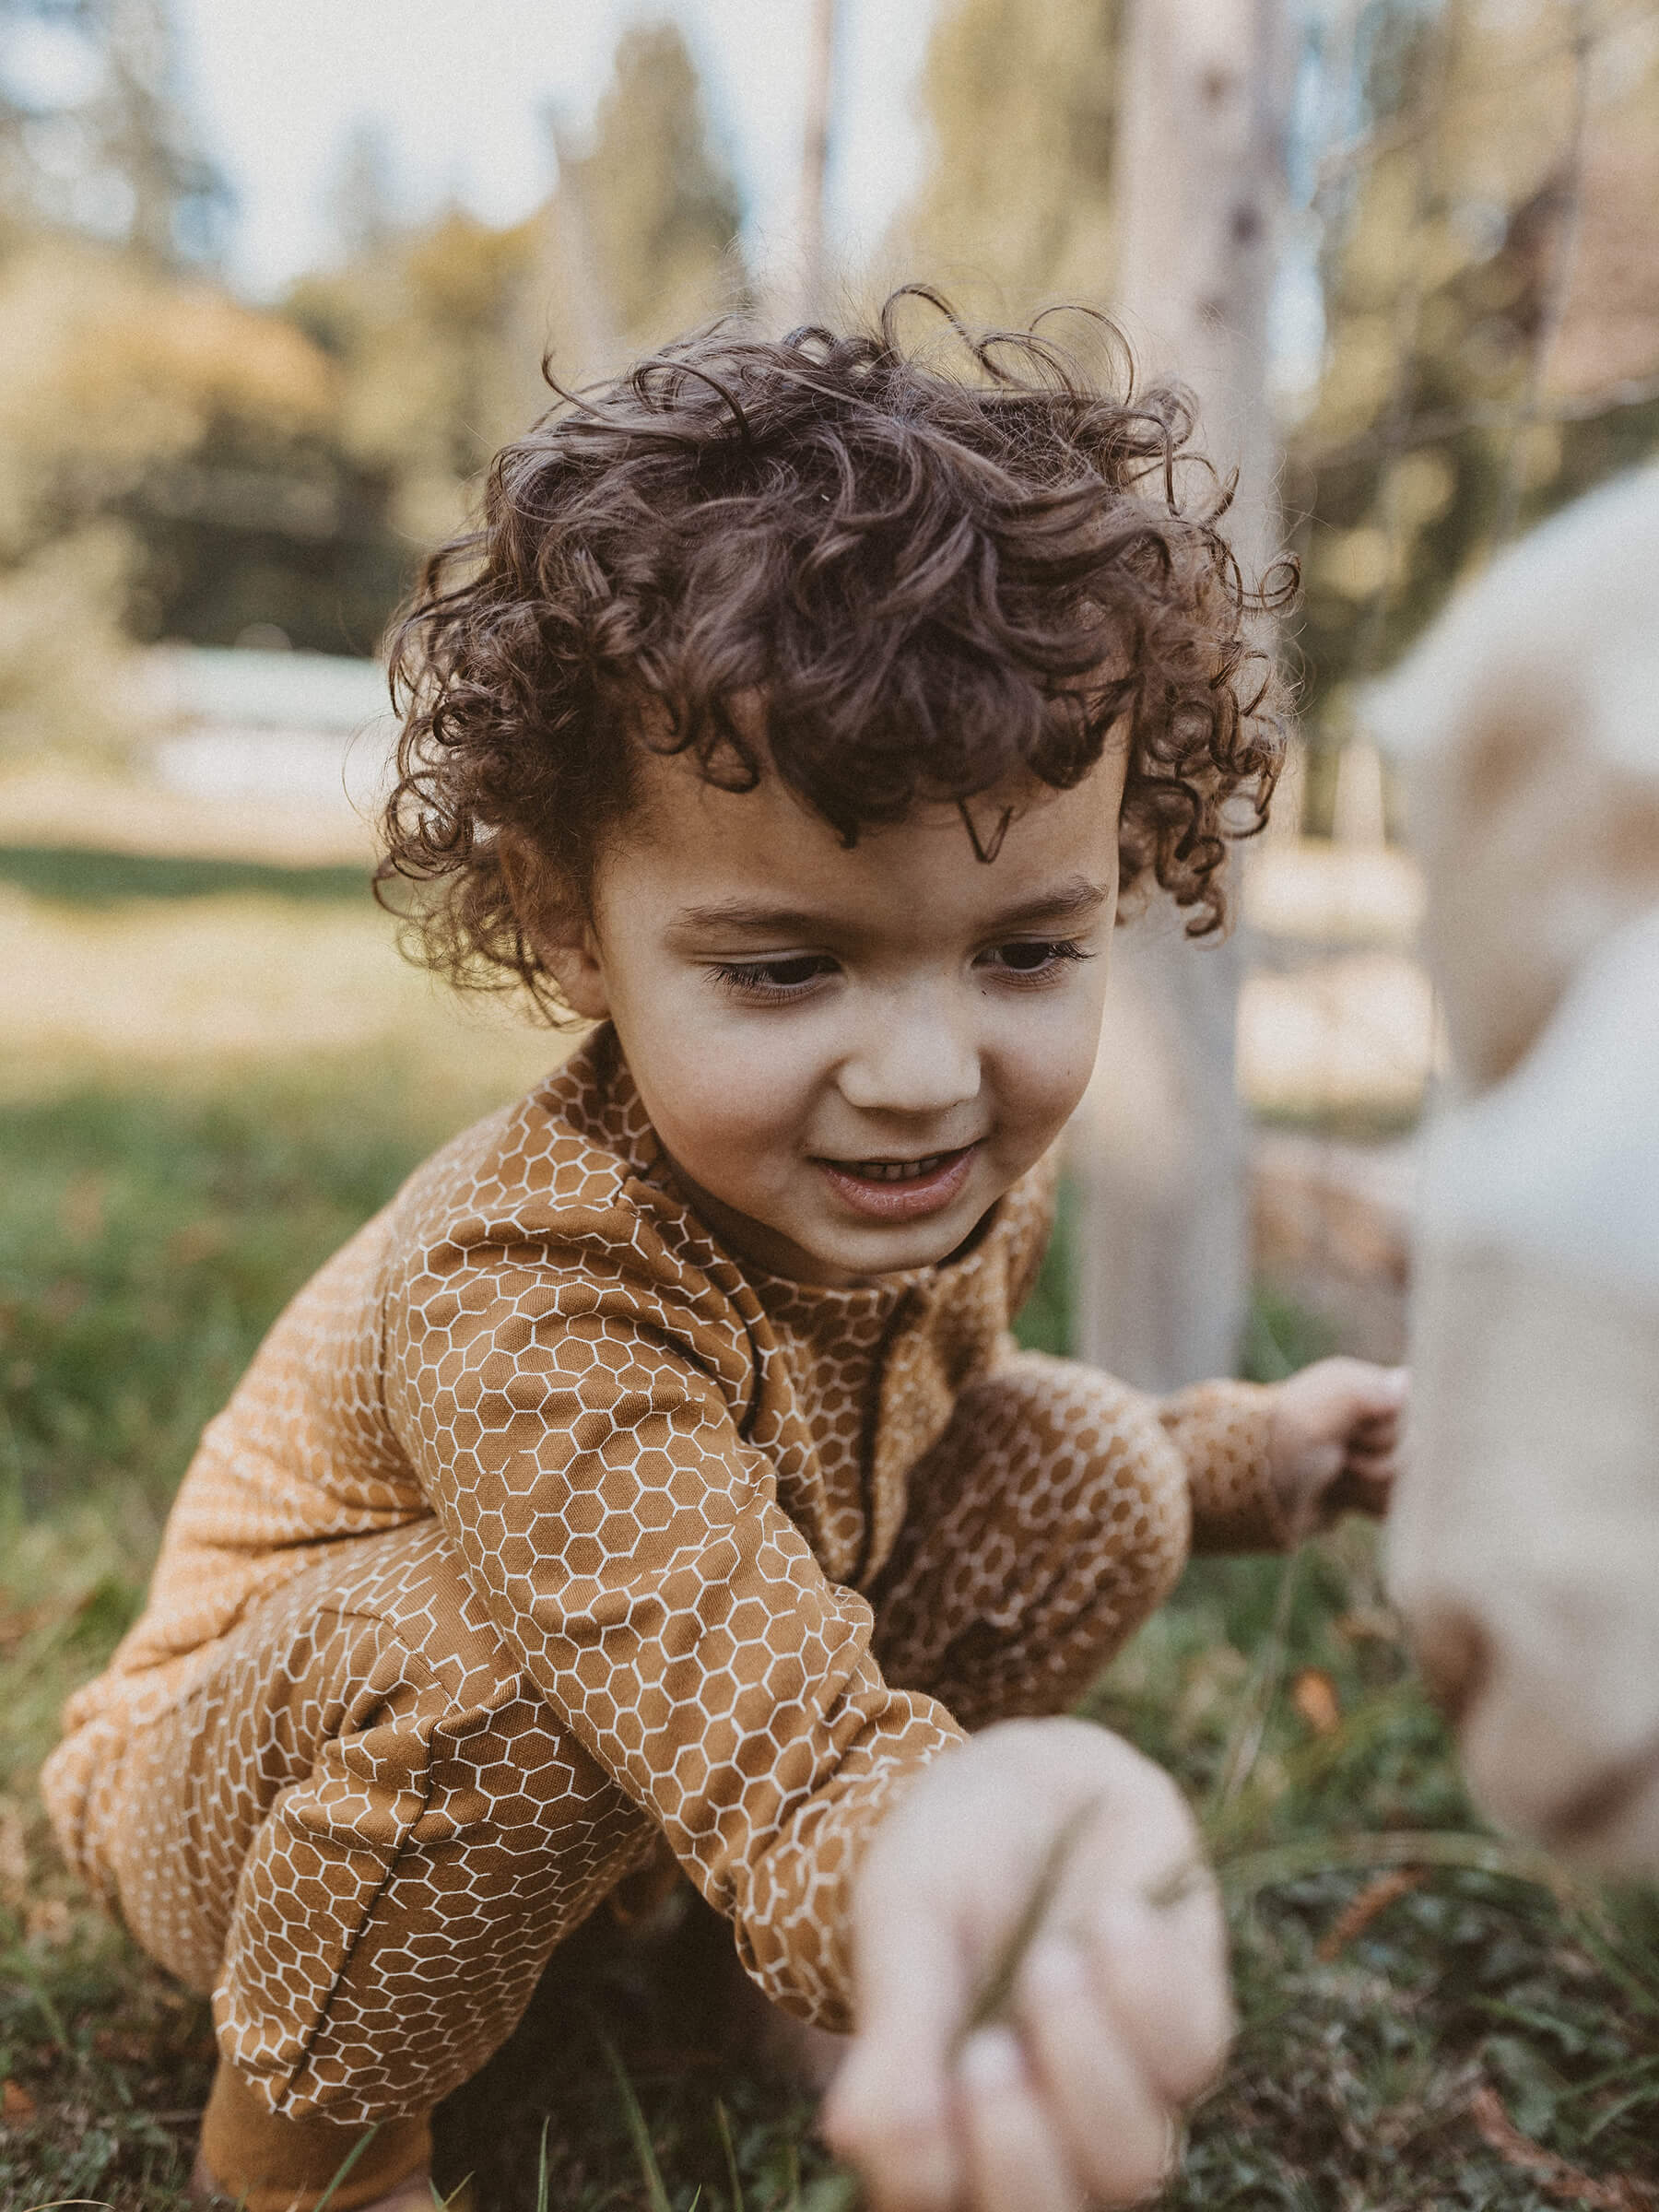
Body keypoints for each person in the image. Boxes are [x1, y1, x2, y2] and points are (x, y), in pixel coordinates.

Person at [42, 294, 1406, 2212]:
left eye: (1028, 949)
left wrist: (1249, 1456)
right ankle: (311, 2160)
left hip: (650, 1729)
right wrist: (963, 1875)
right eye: (786, 967)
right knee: (502, 1675)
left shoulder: (942, 1186)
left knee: (1087, 1472)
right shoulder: (531, 1288)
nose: (929, 1078)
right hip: (259, 1794)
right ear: (567, 920)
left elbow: (934, 1441)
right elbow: (729, 1685)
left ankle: (749, 1976)